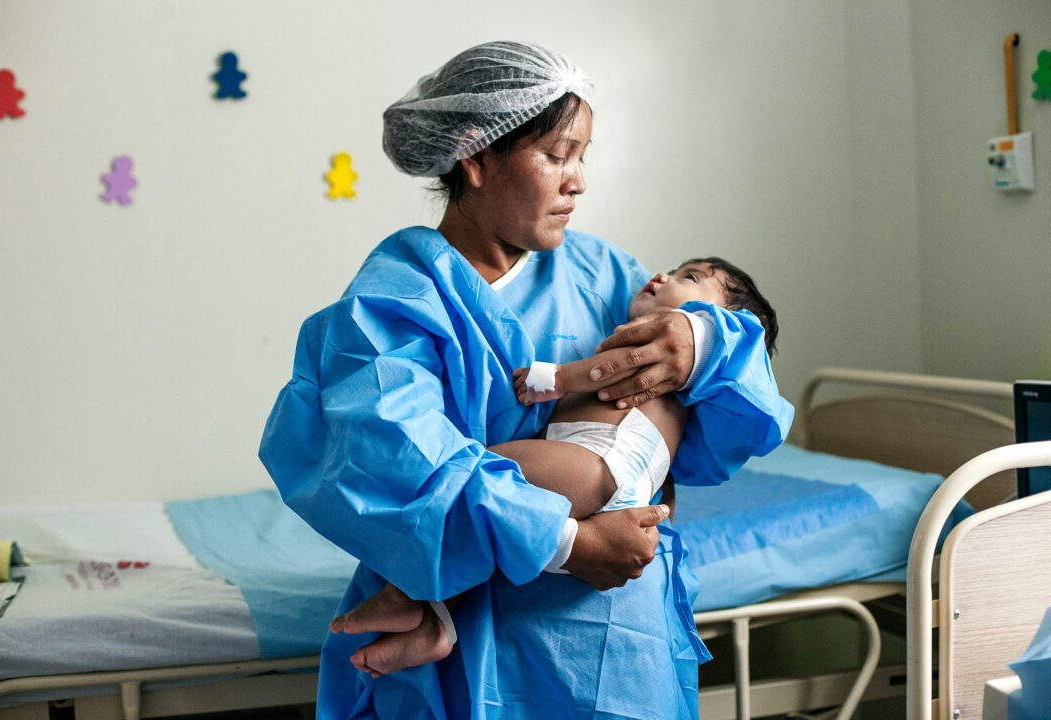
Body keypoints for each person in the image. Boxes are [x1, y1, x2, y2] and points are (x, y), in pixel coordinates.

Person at [259, 41, 793, 720]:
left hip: (616, 644)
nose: (578, 182)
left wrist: (705, 340)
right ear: (476, 158)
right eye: (556, 155)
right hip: (468, 650)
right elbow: (391, 465)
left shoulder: (606, 277)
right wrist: (570, 543)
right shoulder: (391, 304)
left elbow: (735, 415)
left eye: (583, 157)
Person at [330, 256, 780, 679]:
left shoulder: (675, 336)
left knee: (470, 477)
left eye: (691, 277)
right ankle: (437, 621)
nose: (663, 275)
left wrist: (556, 380)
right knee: (493, 532)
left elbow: (605, 371)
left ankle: (403, 593)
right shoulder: (688, 377)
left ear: (719, 314)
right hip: (611, 480)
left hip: (594, 458)